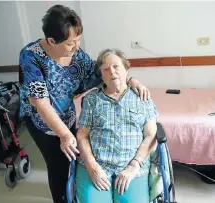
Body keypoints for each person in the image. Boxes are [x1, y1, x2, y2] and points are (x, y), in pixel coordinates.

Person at [19, 5, 151, 203]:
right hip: (42, 121)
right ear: (52, 41)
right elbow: (41, 103)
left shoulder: (77, 55)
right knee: (58, 166)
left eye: (78, 40)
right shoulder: (31, 56)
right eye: (71, 43)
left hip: (67, 116)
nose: (77, 47)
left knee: (72, 161)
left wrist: (132, 80)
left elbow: (106, 74)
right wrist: (64, 135)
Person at [76, 49, 159, 203]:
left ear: (126, 69)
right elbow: (82, 135)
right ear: (101, 75)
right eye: (106, 69)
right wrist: (92, 167)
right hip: (97, 165)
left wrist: (133, 167)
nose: (112, 72)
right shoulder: (91, 99)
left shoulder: (142, 97)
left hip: (132, 166)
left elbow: (151, 135)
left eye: (116, 67)